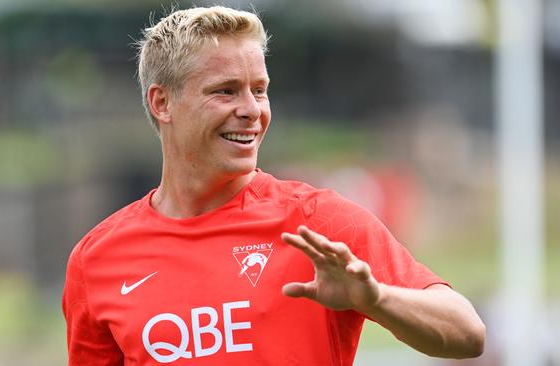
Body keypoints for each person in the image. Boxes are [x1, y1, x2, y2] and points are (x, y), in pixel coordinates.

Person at [62, 6, 486, 365]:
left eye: (259, 91)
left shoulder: (318, 225)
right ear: (162, 102)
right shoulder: (97, 260)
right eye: (225, 91)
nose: (251, 110)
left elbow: (466, 333)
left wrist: (375, 299)